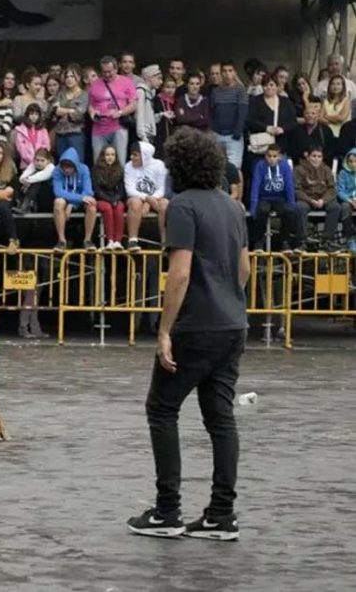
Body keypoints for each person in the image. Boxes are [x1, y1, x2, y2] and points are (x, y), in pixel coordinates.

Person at [127, 127, 249, 542]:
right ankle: (221, 514)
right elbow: (245, 270)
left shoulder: (181, 207)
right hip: (234, 323)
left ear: (178, 166)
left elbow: (178, 274)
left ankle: (167, 511)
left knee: (162, 409)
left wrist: (164, 331)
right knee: (221, 418)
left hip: (196, 326)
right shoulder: (234, 208)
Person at [248, 145, 301, 252]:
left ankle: (285, 241)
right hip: (264, 198)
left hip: (279, 198)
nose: (271, 159)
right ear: (265, 156)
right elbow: (255, 186)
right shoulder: (260, 166)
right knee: (261, 210)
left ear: (279, 157)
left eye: (274, 156)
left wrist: (291, 203)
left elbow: (289, 185)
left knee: (288, 211)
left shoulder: (285, 166)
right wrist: (253, 206)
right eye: (269, 156)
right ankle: (259, 242)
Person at [88, 55, 137, 165]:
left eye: (110, 71)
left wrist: (120, 112)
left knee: (119, 161)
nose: (107, 74)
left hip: (118, 126)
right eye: (104, 72)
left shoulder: (126, 82)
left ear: (116, 69)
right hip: (99, 127)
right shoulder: (95, 84)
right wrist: (92, 112)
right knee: (99, 162)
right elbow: (91, 104)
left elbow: (133, 104)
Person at [294, 146, 342, 252]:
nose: (316, 159)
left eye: (319, 156)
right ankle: (302, 242)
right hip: (307, 199)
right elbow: (297, 189)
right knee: (299, 207)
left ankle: (327, 241)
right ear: (308, 157)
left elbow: (332, 189)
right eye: (314, 156)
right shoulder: (299, 169)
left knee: (336, 207)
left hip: (322, 199)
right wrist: (310, 200)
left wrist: (323, 200)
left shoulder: (326, 169)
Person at [125, 141, 169, 251]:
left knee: (165, 204)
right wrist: (146, 199)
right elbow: (129, 190)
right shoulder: (128, 166)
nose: (132, 157)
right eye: (131, 154)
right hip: (138, 198)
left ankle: (166, 242)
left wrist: (149, 201)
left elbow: (162, 188)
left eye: (135, 155)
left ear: (144, 155)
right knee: (135, 202)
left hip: (156, 198)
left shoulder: (159, 165)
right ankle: (132, 241)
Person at [52, 146, 96, 252]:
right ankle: (62, 241)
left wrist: (73, 204)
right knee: (58, 202)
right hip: (66, 198)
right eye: (64, 167)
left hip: (80, 199)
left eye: (69, 167)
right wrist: (76, 200)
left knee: (92, 203)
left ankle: (88, 240)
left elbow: (88, 191)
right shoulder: (57, 171)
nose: (66, 170)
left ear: (75, 165)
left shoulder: (84, 169)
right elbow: (58, 191)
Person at [210, 60, 249, 169]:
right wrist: (213, 130)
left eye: (230, 71)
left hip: (233, 137)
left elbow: (243, 113)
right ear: (221, 73)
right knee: (217, 168)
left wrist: (237, 132)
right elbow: (212, 112)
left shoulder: (241, 90)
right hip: (217, 135)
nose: (227, 74)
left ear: (235, 73)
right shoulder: (216, 91)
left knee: (234, 169)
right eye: (224, 71)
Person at [93, 146, 126, 250]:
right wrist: (110, 200)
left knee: (120, 207)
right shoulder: (96, 170)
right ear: (103, 156)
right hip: (101, 199)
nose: (110, 157)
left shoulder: (120, 170)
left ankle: (118, 241)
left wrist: (116, 199)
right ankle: (110, 240)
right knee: (107, 208)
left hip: (116, 198)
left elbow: (121, 190)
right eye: (107, 155)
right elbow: (97, 190)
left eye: (112, 155)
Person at [52, 66, 88, 160]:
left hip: (76, 133)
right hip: (60, 133)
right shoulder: (60, 94)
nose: (69, 79)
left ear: (79, 78)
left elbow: (79, 114)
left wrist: (63, 110)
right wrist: (70, 110)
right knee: (62, 162)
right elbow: (55, 110)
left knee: (77, 162)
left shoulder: (84, 95)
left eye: (72, 76)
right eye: (67, 77)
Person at [16, 147, 54, 214]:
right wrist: (25, 180)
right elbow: (22, 178)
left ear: (48, 161)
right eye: (37, 160)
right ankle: (21, 203)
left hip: (47, 194)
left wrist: (27, 180)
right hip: (34, 193)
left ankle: (25, 206)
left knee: (36, 183)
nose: (39, 163)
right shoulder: (33, 165)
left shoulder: (51, 167)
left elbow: (40, 177)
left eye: (42, 160)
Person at [13, 103, 50, 171]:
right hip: (26, 165)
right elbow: (21, 148)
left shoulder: (43, 130)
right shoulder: (21, 130)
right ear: (27, 115)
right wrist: (32, 161)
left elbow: (46, 146)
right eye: (31, 114)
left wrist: (39, 160)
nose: (34, 116)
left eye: (36, 114)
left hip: (41, 164)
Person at [336, 148, 356, 253]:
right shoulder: (343, 173)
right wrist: (350, 200)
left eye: (355, 161)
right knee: (344, 208)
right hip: (348, 200)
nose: (353, 164)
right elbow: (339, 191)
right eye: (350, 161)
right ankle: (350, 239)